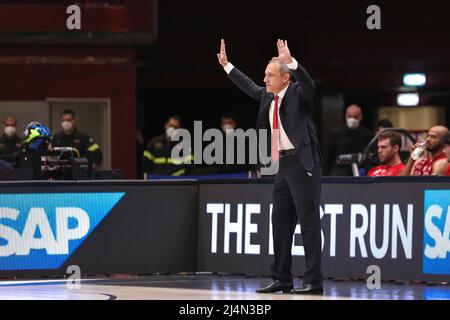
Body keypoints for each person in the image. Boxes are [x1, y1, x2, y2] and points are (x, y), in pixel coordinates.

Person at [218, 39, 323, 294]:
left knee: (308, 224)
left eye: (270, 75)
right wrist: (227, 65)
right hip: (282, 165)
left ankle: (313, 281)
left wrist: (291, 62)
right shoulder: (267, 96)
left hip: (303, 162)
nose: (264, 79)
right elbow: (248, 86)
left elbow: (310, 84)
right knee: (280, 222)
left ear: (285, 78)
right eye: (265, 75)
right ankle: (282, 278)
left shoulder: (298, 93)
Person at [326, 104, 374, 176]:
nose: (352, 119)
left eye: (355, 117)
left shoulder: (367, 134)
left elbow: (370, 155)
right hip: (339, 172)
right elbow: (329, 155)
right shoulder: (335, 133)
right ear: (346, 116)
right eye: (350, 116)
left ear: (360, 117)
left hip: (359, 171)